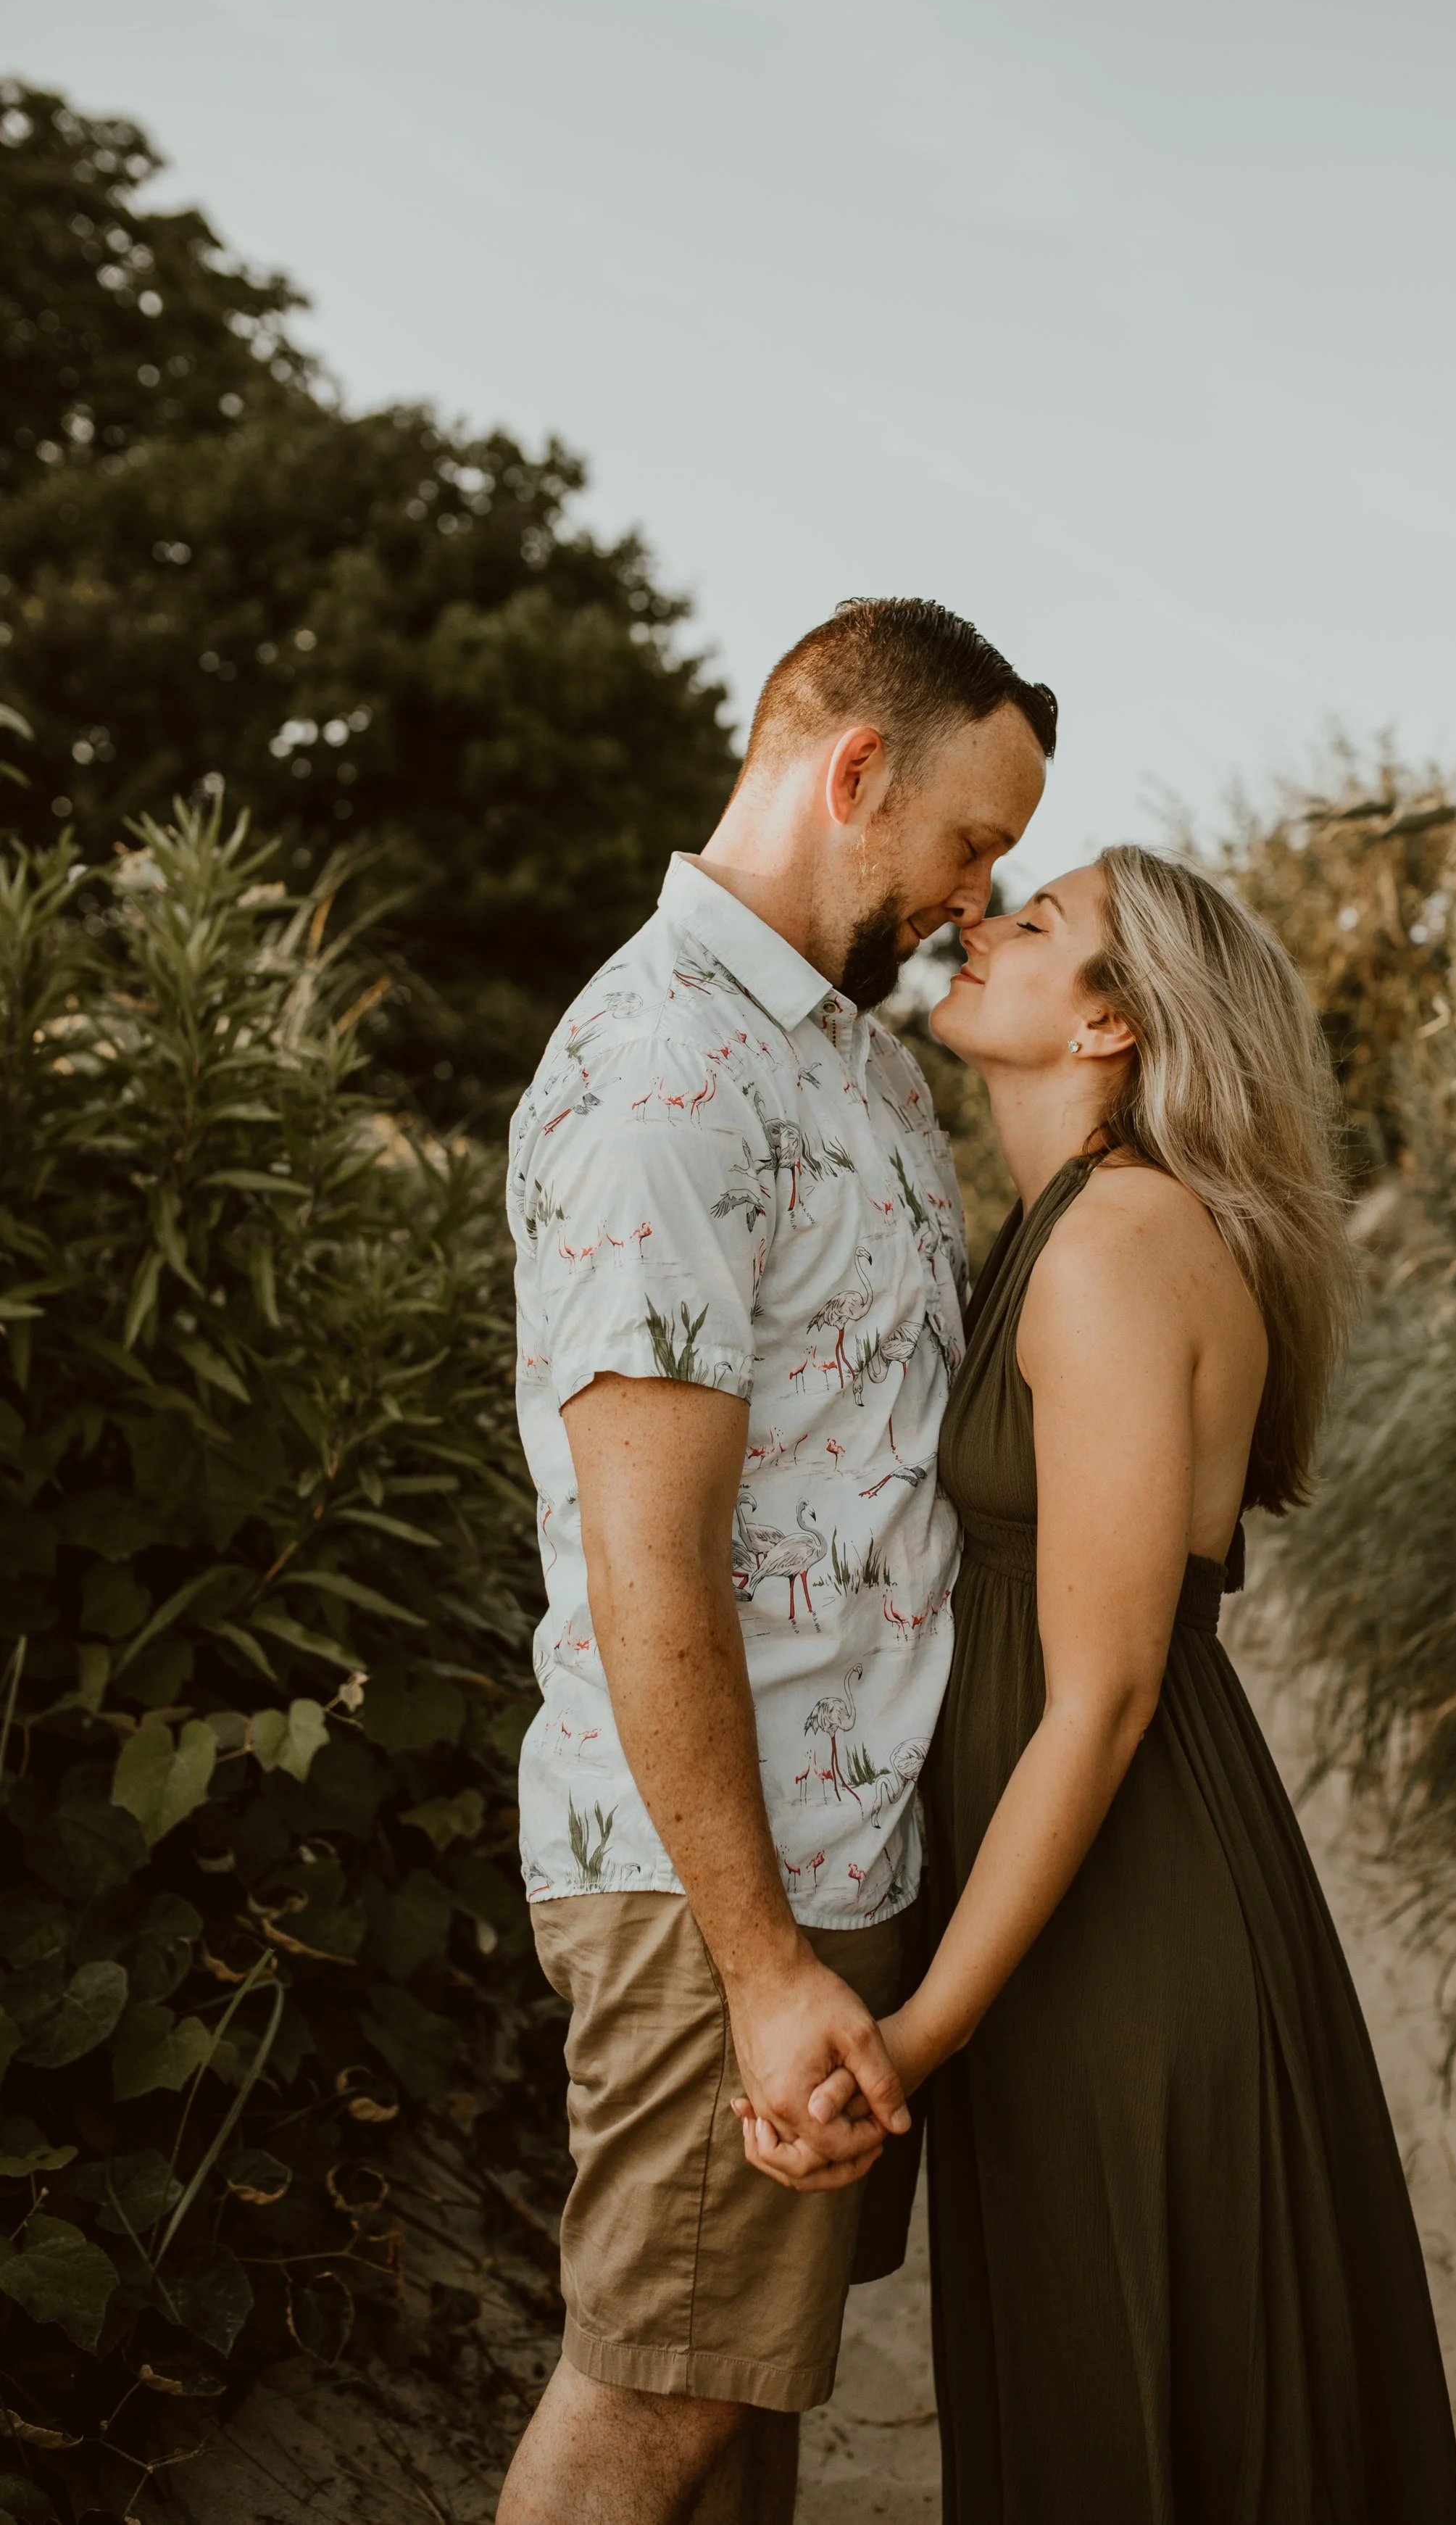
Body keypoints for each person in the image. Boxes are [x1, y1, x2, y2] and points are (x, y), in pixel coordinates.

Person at [742, 847, 1456, 2523]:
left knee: (1132, 2404)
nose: (979, 921)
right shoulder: (1064, 1224)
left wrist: (919, 2035)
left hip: (1126, 1913)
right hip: (1060, 1892)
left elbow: (1103, 1699)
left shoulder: (1116, 1244)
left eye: (1036, 922)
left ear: (1110, 1025)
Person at [494, 599, 1054, 2525]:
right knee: (653, 2398)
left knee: (742, 2396)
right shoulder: (663, 1071)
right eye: (971, 840)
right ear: (854, 772)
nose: (980, 895)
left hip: (838, 1859)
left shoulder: (857, 1069)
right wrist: (756, 1960)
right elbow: (649, 1561)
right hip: (714, 1884)